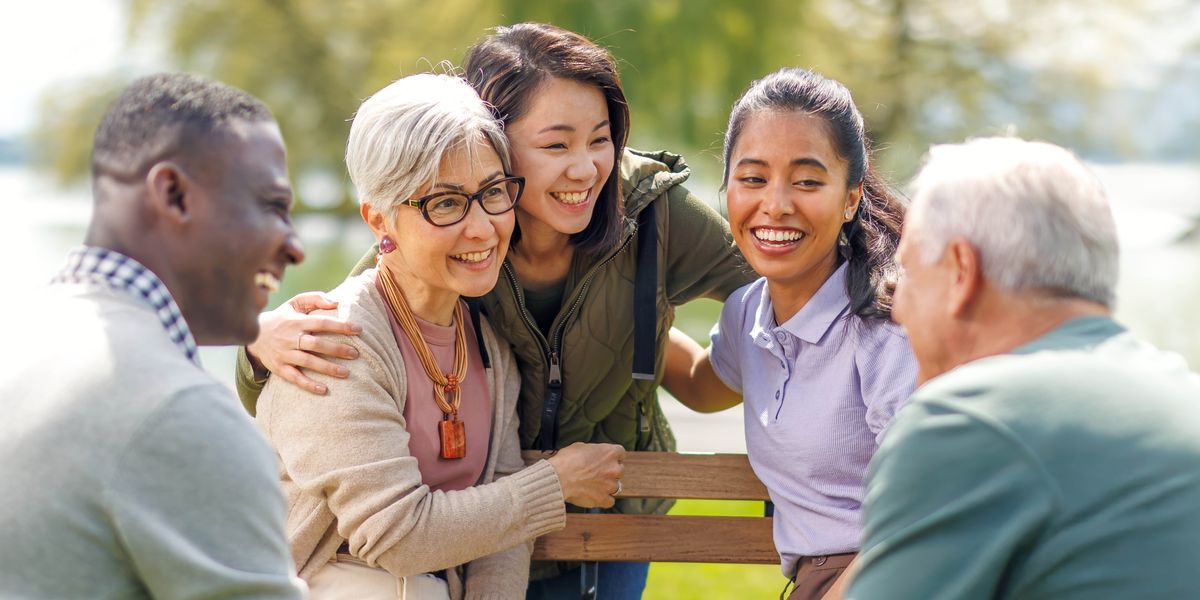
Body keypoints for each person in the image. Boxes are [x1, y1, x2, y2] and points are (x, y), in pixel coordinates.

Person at [237, 23, 753, 598]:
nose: (584, 168)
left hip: (603, 515)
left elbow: (775, 285)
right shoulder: (399, 288)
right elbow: (360, 313)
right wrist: (256, 339)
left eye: (601, 138)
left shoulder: (644, 217)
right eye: (555, 144)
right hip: (414, 552)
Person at [256, 72, 626, 600]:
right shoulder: (334, 343)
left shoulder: (490, 348)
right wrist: (554, 484)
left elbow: (504, 540)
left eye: (493, 193)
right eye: (445, 203)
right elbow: (398, 535)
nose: (482, 228)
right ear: (379, 220)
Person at [846, 137, 1200, 599]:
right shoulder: (1183, 393)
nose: (896, 309)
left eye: (907, 272)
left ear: (960, 272)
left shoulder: (963, 423)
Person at [0, 74, 306, 599]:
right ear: (173, 194)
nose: (295, 247)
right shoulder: (181, 413)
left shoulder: (24, 332)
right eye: (272, 206)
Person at [663, 68, 918, 600]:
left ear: (850, 198)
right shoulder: (746, 314)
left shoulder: (886, 328)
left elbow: (930, 511)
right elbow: (699, 383)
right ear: (726, 187)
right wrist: (613, 308)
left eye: (806, 181)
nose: (775, 204)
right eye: (753, 178)